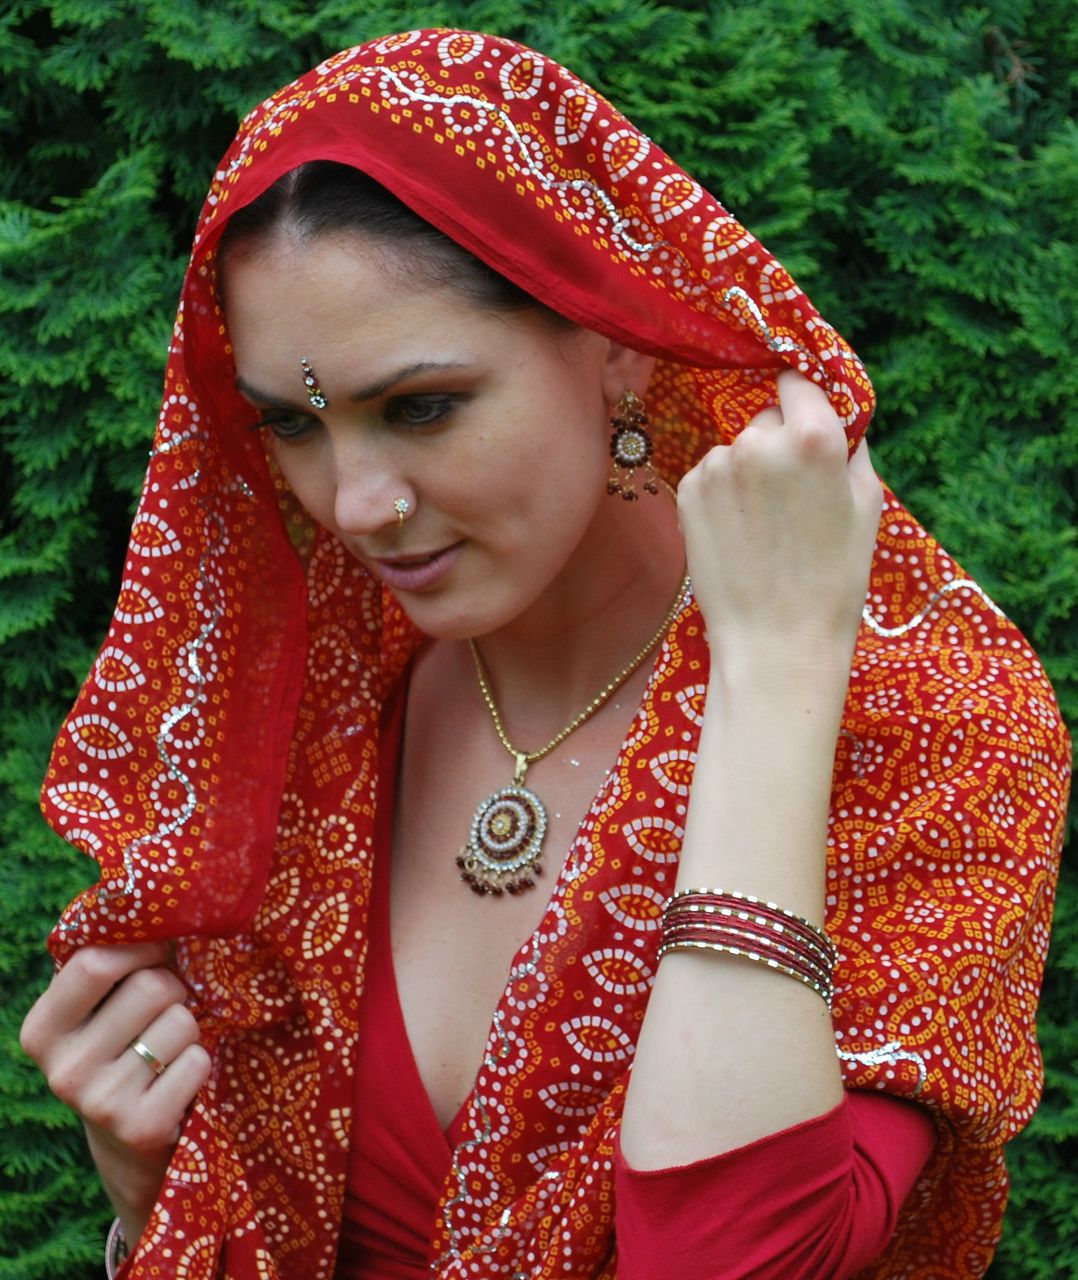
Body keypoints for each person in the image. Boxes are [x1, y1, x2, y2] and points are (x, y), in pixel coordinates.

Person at [19, 28, 1069, 1280]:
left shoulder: (929, 722)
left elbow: (724, 1260)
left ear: (613, 332)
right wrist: (154, 1206)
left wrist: (777, 679)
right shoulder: (314, 720)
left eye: (422, 406)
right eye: (292, 423)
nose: (355, 502)